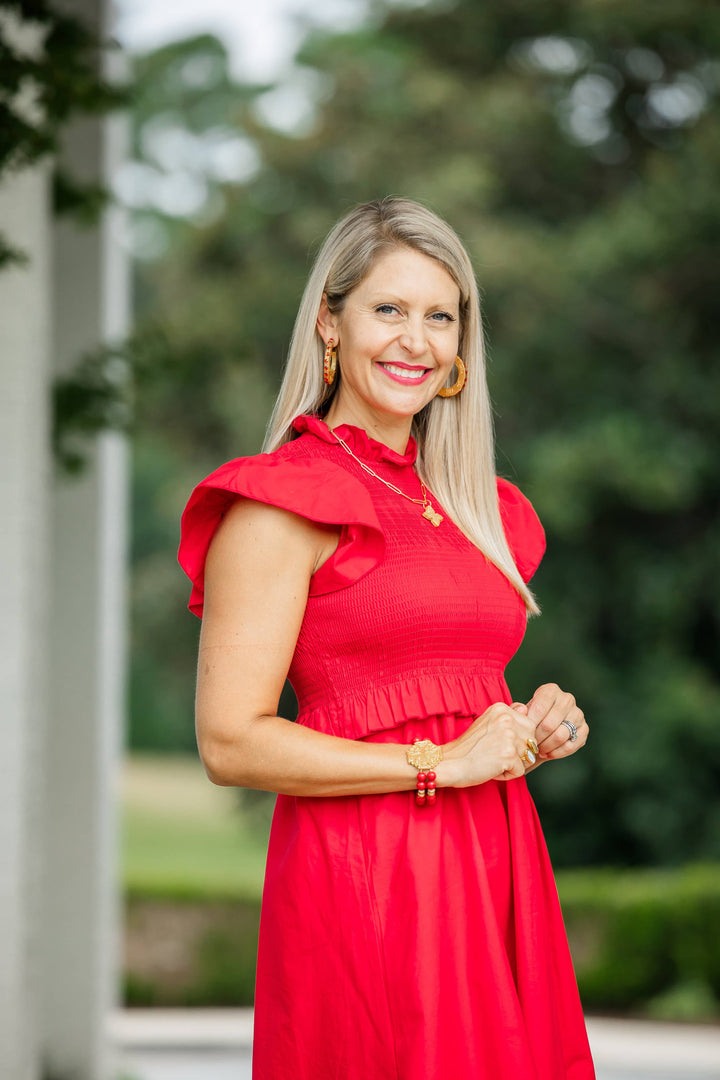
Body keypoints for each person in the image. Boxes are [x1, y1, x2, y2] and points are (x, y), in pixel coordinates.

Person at [178, 196, 595, 1079]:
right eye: (389, 309)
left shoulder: (475, 508)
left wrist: (530, 725)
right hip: (369, 874)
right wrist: (440, 764)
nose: (416, 340)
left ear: (462, 342)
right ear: (330, 324)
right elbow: (229, 742)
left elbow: (458, 695)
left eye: (440, 316)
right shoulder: (282, 502)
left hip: (494, 863)